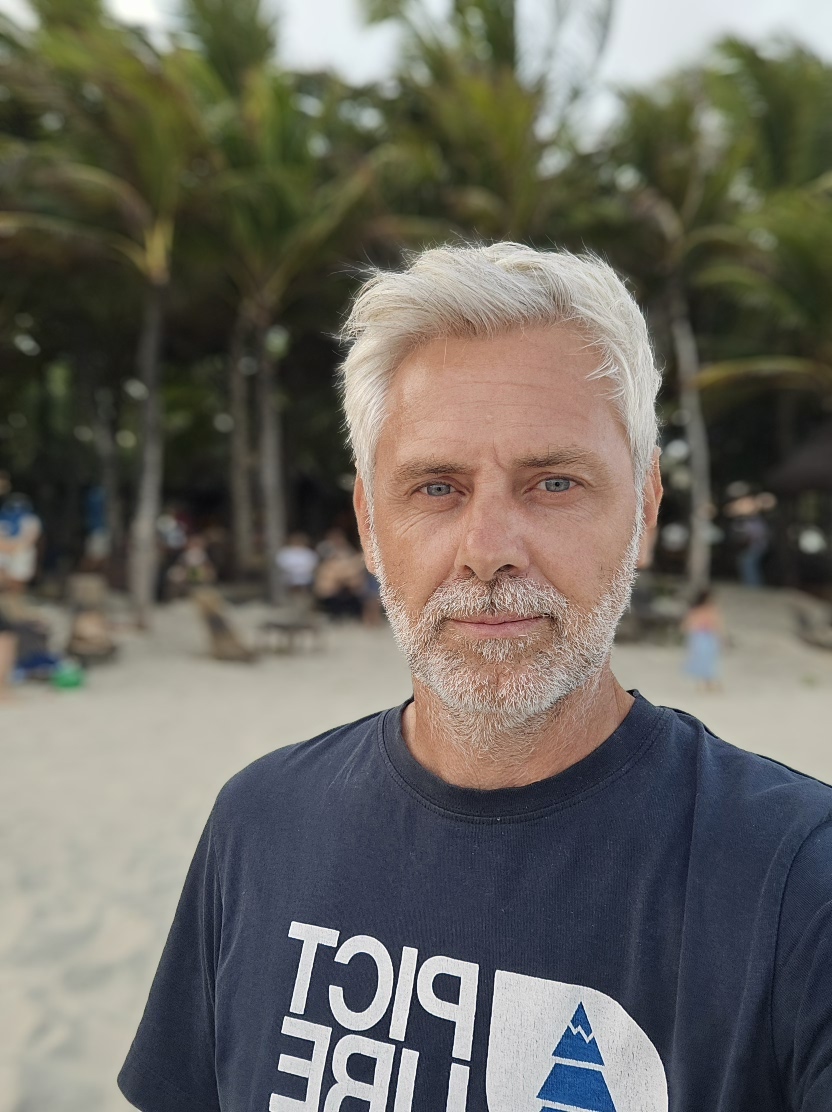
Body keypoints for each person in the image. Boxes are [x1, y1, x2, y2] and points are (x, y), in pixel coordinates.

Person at [119, 245, 832, 1112]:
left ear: (644, 512)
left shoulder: (799, 883)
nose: (488, 550)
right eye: (436, 488)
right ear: (369, 524)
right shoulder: (258, 824)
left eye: (554, 482)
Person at [682, 588, 723, 691]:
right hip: (700, 637)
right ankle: (703, 682)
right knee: (701, 659)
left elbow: (717, 624)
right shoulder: (697, 610)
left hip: (708, 636)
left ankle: (709, 682)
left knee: (709, 660)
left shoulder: (711, 609)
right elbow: (687, 625)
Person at [276, 532, 319, 602]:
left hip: (305, 576)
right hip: (289, 576)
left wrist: (302, 570)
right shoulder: (285, 552)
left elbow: (312, 563)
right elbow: (281, 563)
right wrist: (293, 569)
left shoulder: (308, 552)